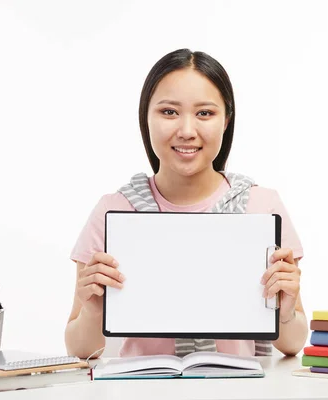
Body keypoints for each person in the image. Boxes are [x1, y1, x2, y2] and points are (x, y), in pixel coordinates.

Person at [65, 48, 308, 359]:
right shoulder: (115, 210)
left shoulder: (261, 205)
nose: (187, 131)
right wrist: (94, 311)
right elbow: (79, 349)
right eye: (169, 112)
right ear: (146, 117)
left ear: (226, 121)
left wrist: (284, 312)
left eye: (205, 113)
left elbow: (292, 344)